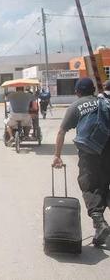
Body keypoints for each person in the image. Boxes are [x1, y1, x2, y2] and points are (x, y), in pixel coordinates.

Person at [53, 78, 110, 246]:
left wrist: (57, 155)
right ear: (93, 89)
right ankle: (100, 224)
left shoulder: (75, 106)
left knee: (89, 186)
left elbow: (61, 132)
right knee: (105, 184)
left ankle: (99, 223)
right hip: (108, 147)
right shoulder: (104, 102)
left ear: (77, 92)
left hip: (90, 151)